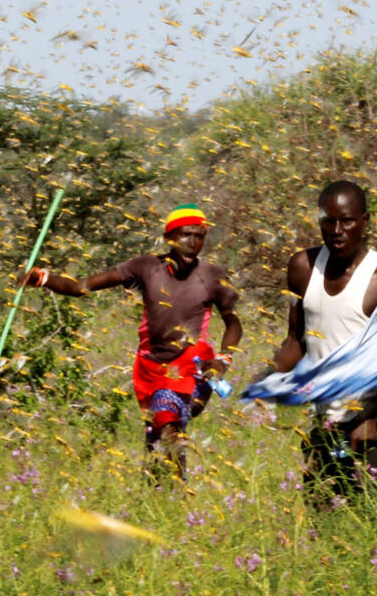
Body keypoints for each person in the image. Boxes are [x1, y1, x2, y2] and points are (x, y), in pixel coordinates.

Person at [20, 204, 241, 477]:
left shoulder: (213, 277)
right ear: (169, 238)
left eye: (199, 236)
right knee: (155, 436)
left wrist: (223, 359)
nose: (192, 243)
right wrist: (42, 278)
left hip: (190, 364)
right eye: (185, 235)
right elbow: (80, 287)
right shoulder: (146, 267)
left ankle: (179, 495)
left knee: (167, 419)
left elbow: (233, 324)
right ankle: (157, 497)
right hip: (149, 367)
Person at [267, 180, 377, 510]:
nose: (337, 230)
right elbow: (296, 340)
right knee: (320, 534)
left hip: (373, 429)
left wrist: (367, 413)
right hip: (323, 427)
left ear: (364, 221)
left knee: (365, 534)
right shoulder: (302, 269)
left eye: (347, 221)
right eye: (328, 220)